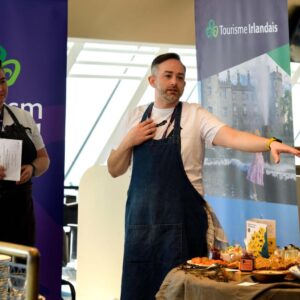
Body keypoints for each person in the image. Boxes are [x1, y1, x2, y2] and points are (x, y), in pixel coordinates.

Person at [107, 53, 300, 300]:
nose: (174, 82)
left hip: (184, 228)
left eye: (180, 77)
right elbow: (114, 169)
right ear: (153, 80)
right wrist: (128, 141)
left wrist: (269, 143)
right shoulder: (135, 117)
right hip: (141, 229)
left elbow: (232, 136)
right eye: (168, 76)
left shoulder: (194, 115)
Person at [0, 60, 50, 247]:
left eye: (3, 81)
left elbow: (44, 159)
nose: (1, 88)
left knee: (19, 272)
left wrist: (32, 167)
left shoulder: (23, 116)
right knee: (1, 273)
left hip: (20, 213)